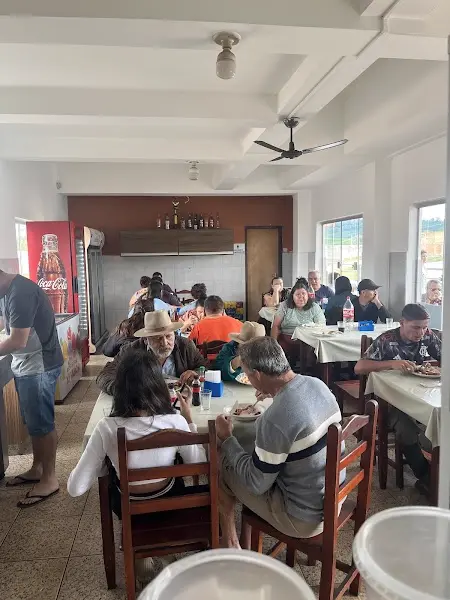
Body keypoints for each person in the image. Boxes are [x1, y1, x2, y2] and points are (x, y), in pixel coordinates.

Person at [215, 337, 342, 548]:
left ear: (257, 374)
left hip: (303, 518)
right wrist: (275, 394)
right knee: (256, 454)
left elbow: (256, 483)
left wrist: (227, 439)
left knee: (223, 466)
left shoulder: (273, 418)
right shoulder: (317, 384)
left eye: (248, 375)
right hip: (333, 499)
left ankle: (230, 544)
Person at [68, 347, 207, 516]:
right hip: (170, 505)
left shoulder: (106, 427)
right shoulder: (175, 421)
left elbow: (75, 488)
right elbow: (199, 464)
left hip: (128, 510)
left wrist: (101, 464)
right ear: (159, 386)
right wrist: (189, 420)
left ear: (119, 389)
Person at [354, 303, 441, 495]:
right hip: (389, 401)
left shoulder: (428, 336)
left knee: (441, 420)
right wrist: (391, 364)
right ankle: (426, 477)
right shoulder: (387, 339)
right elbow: (359, 367)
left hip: (420, 394)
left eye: (424, 327)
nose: (421, 332)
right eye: (416, 327)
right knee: (406, 429)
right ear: (402, 323)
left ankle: (439, 469)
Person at [0, 269, 63, 507]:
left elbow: (18, 340)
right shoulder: (7, 292)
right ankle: (38, 468)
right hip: (26, 364)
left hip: (39, 365)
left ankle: (50, 478)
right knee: (33, 422)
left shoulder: (20, 293)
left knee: (43, 423)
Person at [97, 310, 208, 396]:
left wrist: (196, 373)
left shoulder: (186, 346)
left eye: (168, 336)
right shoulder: (131, 350)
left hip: (179, 401)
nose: (164, 343)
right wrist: (130, 390)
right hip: (146, 404)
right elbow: (105, 376)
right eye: (157, 338)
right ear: (146, 339)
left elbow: (204, 367)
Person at [271, 278, 325, 364]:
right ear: (292, 296)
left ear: (308, 295)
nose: (301, 297)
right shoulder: (285, 306)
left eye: (303, 294)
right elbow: (275, 325)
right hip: (288, 338)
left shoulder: (314, 307)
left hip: (309, 339)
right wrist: (273, 345)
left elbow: (321, 325)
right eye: (298, 294)